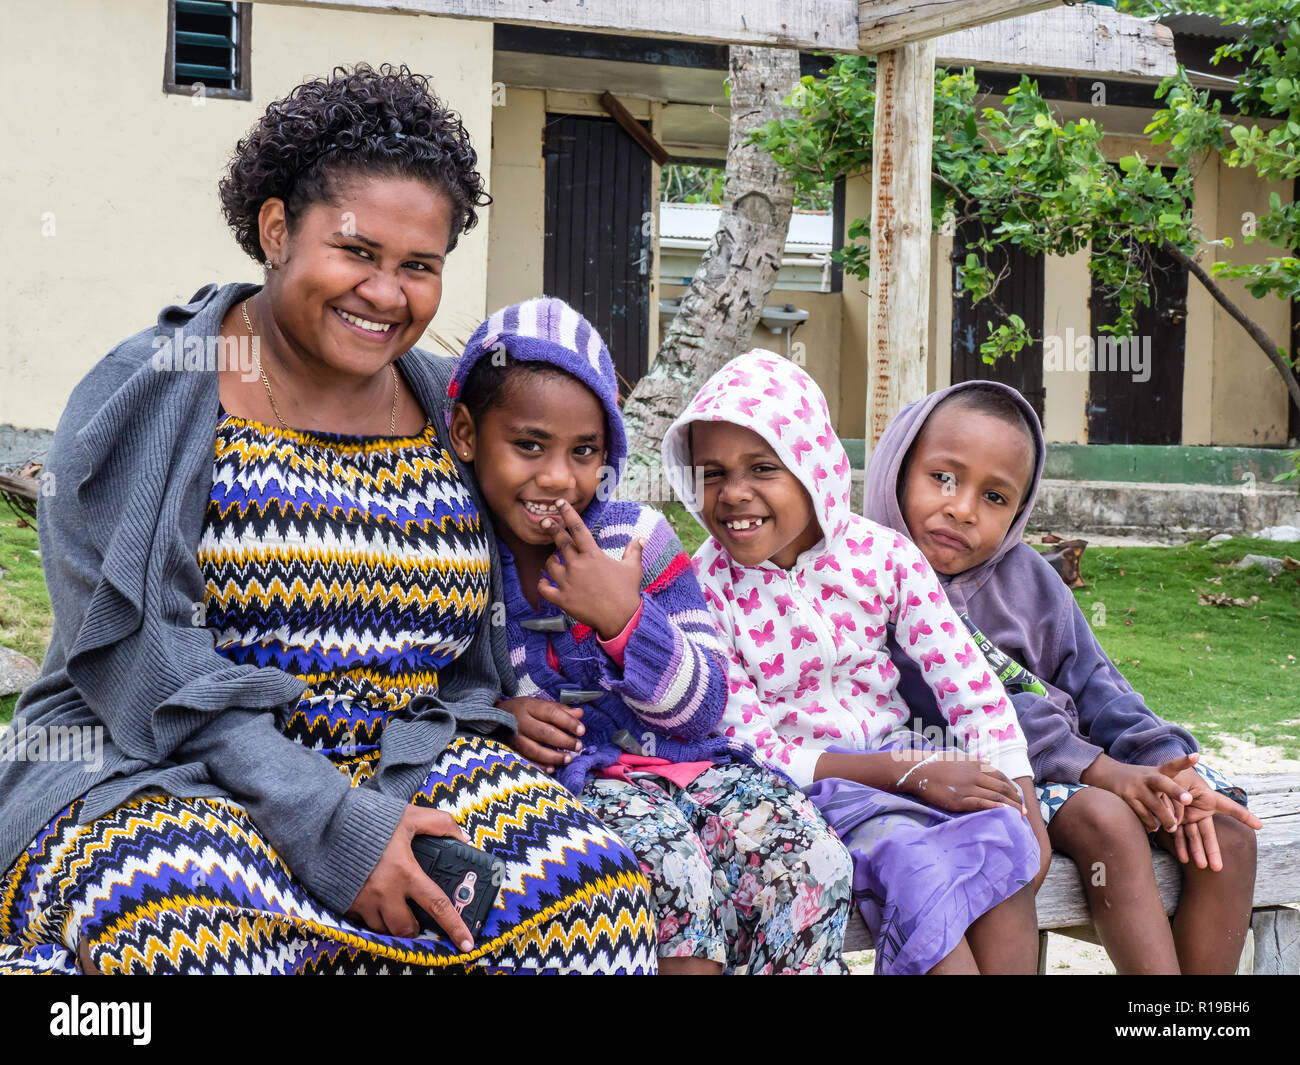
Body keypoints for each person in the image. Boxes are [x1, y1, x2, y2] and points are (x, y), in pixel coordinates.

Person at [0, 64, 657, 975]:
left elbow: (551, 528)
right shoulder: (158, 390)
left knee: (590, 895)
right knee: (190, 922)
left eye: (419, 266)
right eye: (357, 252)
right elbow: (146, 668)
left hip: (403, 753)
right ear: (277, 231)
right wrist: (334, 824)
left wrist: (502, 696)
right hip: (159, 765)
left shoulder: (445, 404)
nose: (387, 295)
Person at [446, 298, 854, 974]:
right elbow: (429, 689)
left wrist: (624, 618)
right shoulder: (456, 552)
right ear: (466, 433)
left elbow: (704, 709)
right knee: (667, 865)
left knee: (809, 851)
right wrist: (496, 718)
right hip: (571, 786)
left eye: (584, 451)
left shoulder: (637, 539)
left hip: (688, 767)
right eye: (528, 445)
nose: (556, 476)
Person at [660, 350, 1047, 975]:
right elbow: (758, 751)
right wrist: (907, 771)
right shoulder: (703, 589)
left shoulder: (880, 555)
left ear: (812, 467)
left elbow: (967, 682)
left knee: (1005, 841)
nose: (733, 494)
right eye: (711, 473)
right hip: (809, 796)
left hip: (914, 765)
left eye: (763, 467)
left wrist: (1019, 793)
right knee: (916, 865)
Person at [864, 378, 1262, 974]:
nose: (963, 508)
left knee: (1223, 833)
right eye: (943, 478)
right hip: (985, 777)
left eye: (996, 498)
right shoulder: (868, 580)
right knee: (1106, 820)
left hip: (1088, 766)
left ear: (1020, 510)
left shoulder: (1027, 576)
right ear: (896, 470)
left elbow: (1097, 681)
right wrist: (1105, 774)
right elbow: (981, 705)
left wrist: (1163, 765)